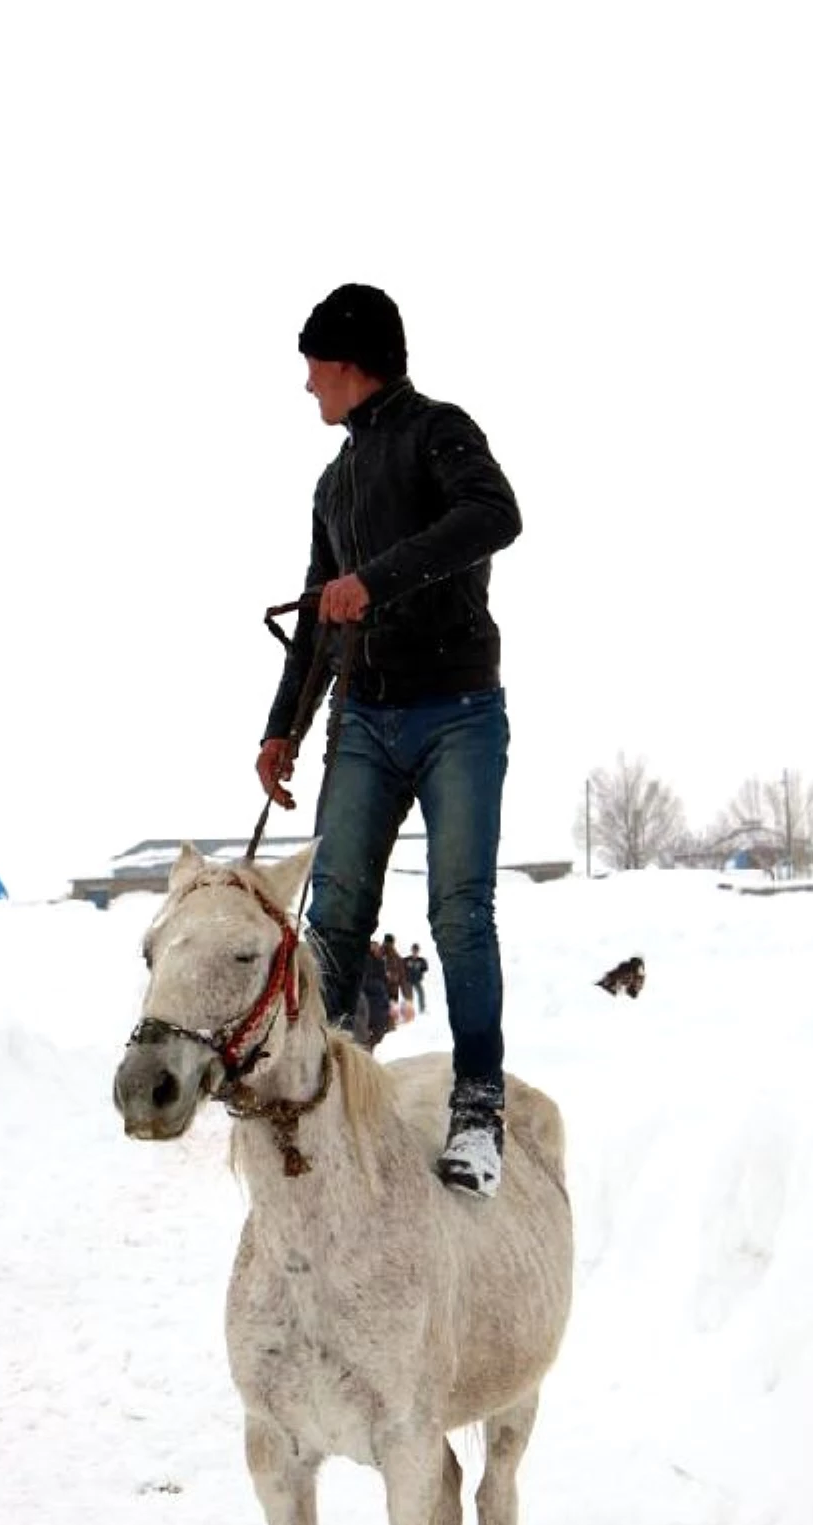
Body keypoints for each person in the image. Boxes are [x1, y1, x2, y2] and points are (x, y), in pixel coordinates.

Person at [255, 283, 521, 1196]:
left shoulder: (441, 431)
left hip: (459, 713)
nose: (307, 388)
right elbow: (320, 620)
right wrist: (281, 729)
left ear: (351, 362)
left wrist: (375, 579)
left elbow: (497, 516)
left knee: (458, 911)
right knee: (333, 916)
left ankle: (478, 1111)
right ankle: (320, 1107)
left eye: (314, 368)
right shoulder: (333, 483)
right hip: (363, 716)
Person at [354, 941, 393, 1053]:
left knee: (377, 1034)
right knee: (366, 1036)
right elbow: (364, 980)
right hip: (370, 1003)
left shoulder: (380, 962)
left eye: (377, 947)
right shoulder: (365, 960)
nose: (377, 949)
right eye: (374, 947)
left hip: (379, 1003)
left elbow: (382, 981)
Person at [404, 943, 428, 1013]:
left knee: (421, 993)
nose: (415, 952)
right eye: (413, 950)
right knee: (409, 996)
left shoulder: (421, 960)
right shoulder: (406, 959)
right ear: (411, 950)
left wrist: (419, 967)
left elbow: (425, 969)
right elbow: (401, 968)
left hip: (417, 980)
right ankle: (408, 1011)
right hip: (408, 980)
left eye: (416, 951)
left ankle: (422, 1009)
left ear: (418, 951)